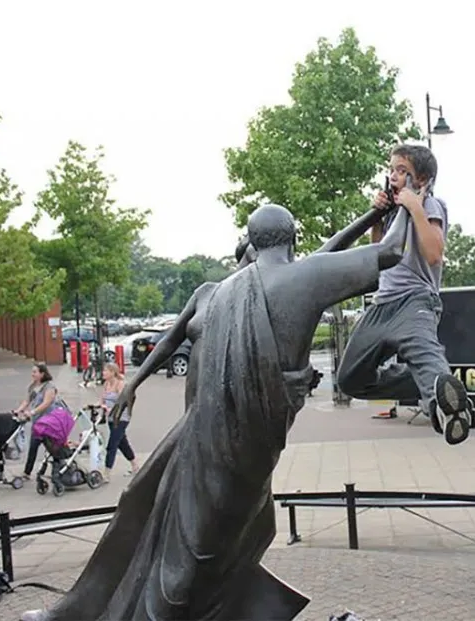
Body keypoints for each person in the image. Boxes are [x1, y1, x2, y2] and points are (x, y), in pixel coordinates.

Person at [21, 202, 407, 621]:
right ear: (289, 242)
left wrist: (386, 208)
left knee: (199, 546)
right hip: (199, 429)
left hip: (237, 444)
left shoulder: (278, 283)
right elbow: (376, 252)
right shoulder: (221, 292)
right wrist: (407, 201)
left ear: (253, 244)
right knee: (138, 503)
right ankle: (73, 612)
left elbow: (333, 255)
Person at [337, 143, 472, 445]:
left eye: (402, 170)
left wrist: (415, 207)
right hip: (381, 305)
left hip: (414, 300)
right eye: (391, 169)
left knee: (424, 351)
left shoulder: (430, 205)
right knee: (349, 379)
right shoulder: (392, 213)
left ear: (420, 180)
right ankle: (431, 383)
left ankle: (447, 409)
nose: (393, 175)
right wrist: (377, 215)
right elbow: (379, 253)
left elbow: (434, 254)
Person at [13, 363, 60, 479]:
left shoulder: (49, 387)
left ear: (42, 374)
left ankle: (60, 468)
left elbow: (46, 403)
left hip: (48, 423)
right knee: (33, 447)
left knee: (52, 448)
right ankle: (27, 472)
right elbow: (27, 401)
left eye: (35, 372)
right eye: (32, 372)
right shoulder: (33, 386)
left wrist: (32, 412)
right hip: (38, 423)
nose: (32, 374)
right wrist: (18, 410)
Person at [100, 362, 138, 481]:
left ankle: (106, 473)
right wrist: (98, 405)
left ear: (112, 372)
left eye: (105, 371)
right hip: (111, 418)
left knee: (112, 445)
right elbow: (102, 400)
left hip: (121, 418)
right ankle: (135, 466)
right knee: (122, 443)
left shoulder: (120, 384)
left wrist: (111, 409)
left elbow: (123, 402)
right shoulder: (106, 384)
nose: (103, 373)